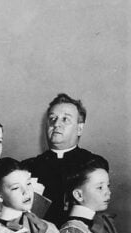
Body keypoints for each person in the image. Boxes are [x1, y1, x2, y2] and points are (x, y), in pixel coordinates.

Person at [23, 93, 108, 226]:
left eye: (65, 119)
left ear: (79, 128)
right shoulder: (27, 167)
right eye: (52, 118)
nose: (56, 124)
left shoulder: (94, 164)